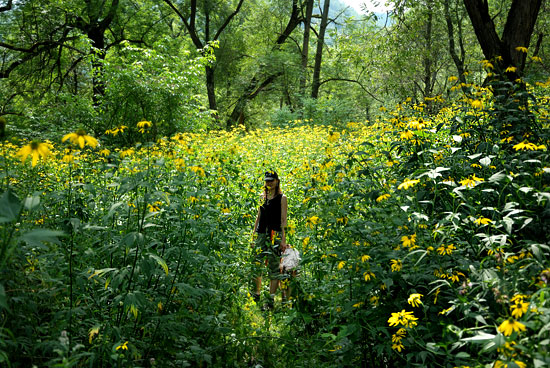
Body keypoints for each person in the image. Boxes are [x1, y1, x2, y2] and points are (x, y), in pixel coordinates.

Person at [251, 170, 288, 310]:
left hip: (275, 234)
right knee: (256, 263)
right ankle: (256, 294)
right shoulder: (262, 196)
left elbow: (284, 220)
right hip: (261, 233)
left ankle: (270, 300)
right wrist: (254, 235)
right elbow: (258, 217)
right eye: (267, 180)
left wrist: (283, 240)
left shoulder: (282, 198)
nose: (269, 183)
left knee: (273, 265)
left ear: (277, 181)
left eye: (271, 180)